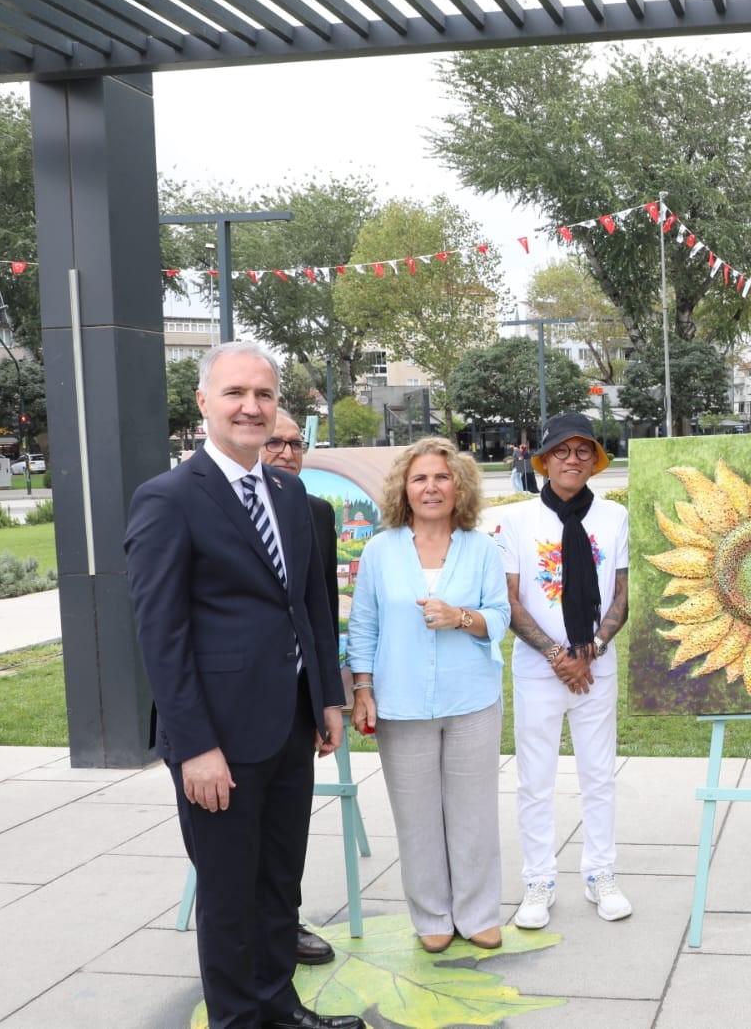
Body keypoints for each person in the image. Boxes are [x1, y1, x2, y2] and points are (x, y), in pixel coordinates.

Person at [124, 341, 361, 1029]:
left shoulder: (289, 493)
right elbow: (160, 635)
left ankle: (278, 1011)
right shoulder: (168, 499)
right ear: (204, 403)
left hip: (289, 725)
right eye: (235, 393)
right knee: (229, 895)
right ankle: (237, 1020)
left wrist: (326, 697)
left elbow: (311, 606)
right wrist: (194, 746)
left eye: (263, 394)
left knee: (278, 885)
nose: (251, 406)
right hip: (216, 739)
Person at [347, 437, 510, 954]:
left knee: (474, 812)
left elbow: (499, 618)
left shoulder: (482, 548)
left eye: (442, 476)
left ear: (459, 485)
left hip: (472, 699)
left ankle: (478, 910)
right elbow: (364, 625)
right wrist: (363, 688)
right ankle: (432, 914)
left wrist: (460, 617)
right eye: (420, 478)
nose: (431, 487)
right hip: (401, 702)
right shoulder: (380, 550)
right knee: (416, 814)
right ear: (404, 488)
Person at [495, 413, 631, 930]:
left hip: (596, 666)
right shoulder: (518, 521)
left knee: (599, 776)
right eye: (561, 451)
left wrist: (591, 648)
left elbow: (621, 592)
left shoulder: (613, 517)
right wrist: (557, 655)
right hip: (538, 669)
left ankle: (601, 873)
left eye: (582, 451)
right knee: (536, 779)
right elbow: (508, 599)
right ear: (544, 459)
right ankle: (539, 880)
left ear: (594, 461)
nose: (571, 460)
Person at [261, 410, 340, 967]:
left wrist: (325, 698)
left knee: (289, 830)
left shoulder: (315, 512)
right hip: (235, 700)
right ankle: (244, 925)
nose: (287, 453)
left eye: (295, 444)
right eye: (275, 443)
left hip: (295, 700)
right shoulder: (216, 503)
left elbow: (323, 613)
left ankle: (284, 922)